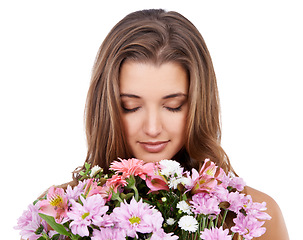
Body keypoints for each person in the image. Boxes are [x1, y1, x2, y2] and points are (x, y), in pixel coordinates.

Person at [43, 9, 290, 239]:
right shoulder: (56, 213)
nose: (152, 128)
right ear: (106, 107)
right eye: (130, 106)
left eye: (173, 106)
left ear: (198, 105)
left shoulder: (255, 216)